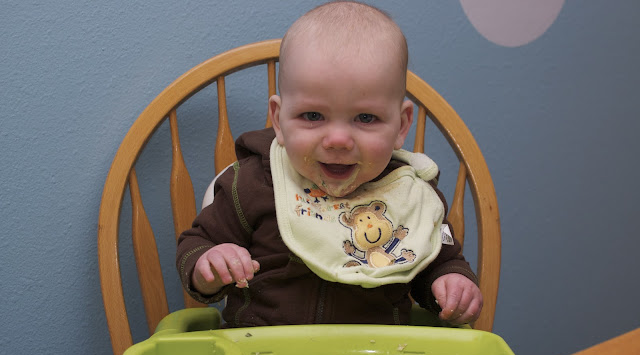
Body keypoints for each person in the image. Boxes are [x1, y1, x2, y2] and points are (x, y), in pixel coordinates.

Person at [176, 1, 482, 328]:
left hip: (377, 353)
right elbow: (197, 244)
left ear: (401, 125)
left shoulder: (409, 195)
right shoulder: (252, 183)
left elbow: (438, 260)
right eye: (313, 115)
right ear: (279, 120)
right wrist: (209, 264)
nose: (337, 140)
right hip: (261, 349)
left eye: (366, 118)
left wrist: (451, 283)